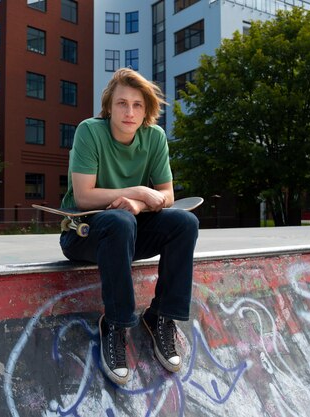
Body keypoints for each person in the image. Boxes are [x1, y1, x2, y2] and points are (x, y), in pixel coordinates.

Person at [59, 68, 199, 385]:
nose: (130, 112)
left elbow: (168, 196)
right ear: (109, 106)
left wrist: (138, 205)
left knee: (184, 222)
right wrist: (135, 192)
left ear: (146, 110)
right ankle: (117, 325)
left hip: (129, 234)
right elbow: (83, 196)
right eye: (122, 103)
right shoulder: (89, 132)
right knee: (120, 220)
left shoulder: (154, 138)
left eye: (137, 105)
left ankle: (162, 316)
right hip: (84, 235)